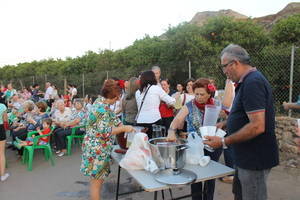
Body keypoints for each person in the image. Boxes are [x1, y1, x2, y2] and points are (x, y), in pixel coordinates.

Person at [204, 44, 279, 200]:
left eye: (224, 66)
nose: (224, 72)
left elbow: (257, 126)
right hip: (246, 156)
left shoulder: (253, 82)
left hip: (255, 158)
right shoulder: (247, 81)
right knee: (240, 194)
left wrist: (223, 141)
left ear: (235, 63)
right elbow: (245, 113)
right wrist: (227, 123)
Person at [167, 78, 222, 200]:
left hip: (213, 145)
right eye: (196, 93)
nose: (198, 97)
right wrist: (171, 131)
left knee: (210, 177)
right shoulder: (189, 105)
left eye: (202, 94)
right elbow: (177, 120)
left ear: (209, 94)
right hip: (195, 147)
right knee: (195, 176)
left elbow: (227, 117)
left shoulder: (216, 105)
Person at [80, 79, 135, 200]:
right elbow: (105, 131)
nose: (118, 100)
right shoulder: (102, 109)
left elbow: (113, 117)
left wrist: (121, 125)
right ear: (113, 96)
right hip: (96, 150)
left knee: (97, 180)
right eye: (117, 97)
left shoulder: (101, 102)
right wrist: (124, 128)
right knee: (96, 182)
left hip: (97, 149)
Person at [135, 71, 175, 138]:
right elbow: (171, 101)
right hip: (154, 120)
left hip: (140, 121)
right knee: (154, 144)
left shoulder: (138, 92)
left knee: (142, 144)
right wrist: (177, 96)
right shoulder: (156, 89)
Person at [0, 102, 9, 181]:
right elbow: (5, 119)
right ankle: (2, 175)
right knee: (1, 153)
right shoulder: (2, 106)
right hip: (0, 129)